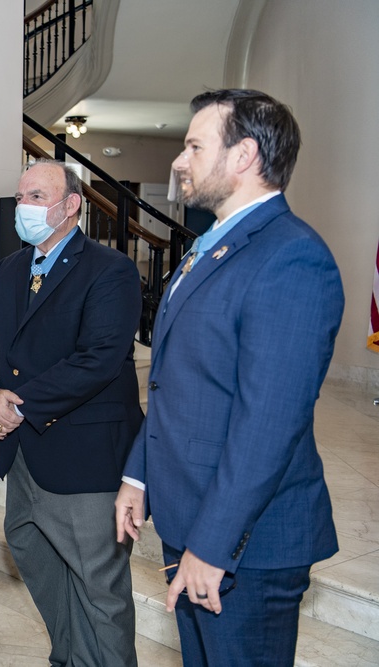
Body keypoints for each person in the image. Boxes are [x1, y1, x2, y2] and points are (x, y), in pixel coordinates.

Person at [115, 89, 345, 667]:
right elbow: (174, 381)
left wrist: (212, 546)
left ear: (243, 156)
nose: (178, 160)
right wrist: (139, 477)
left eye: (194, 145)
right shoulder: (210, 247)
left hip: (247, 544)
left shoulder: (292, 257)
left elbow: (266, 424)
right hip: (189, 517)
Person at [0, 159, 142, 666]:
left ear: (71, 207)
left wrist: (17, 405)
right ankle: (69, 657)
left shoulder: (110, 271)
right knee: (32, 551)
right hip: (23, 454)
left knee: (99, 589)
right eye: (22, 197)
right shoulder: (10, 270)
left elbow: (99, 358)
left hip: (84, 458)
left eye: (37, 197)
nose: (24, 207)